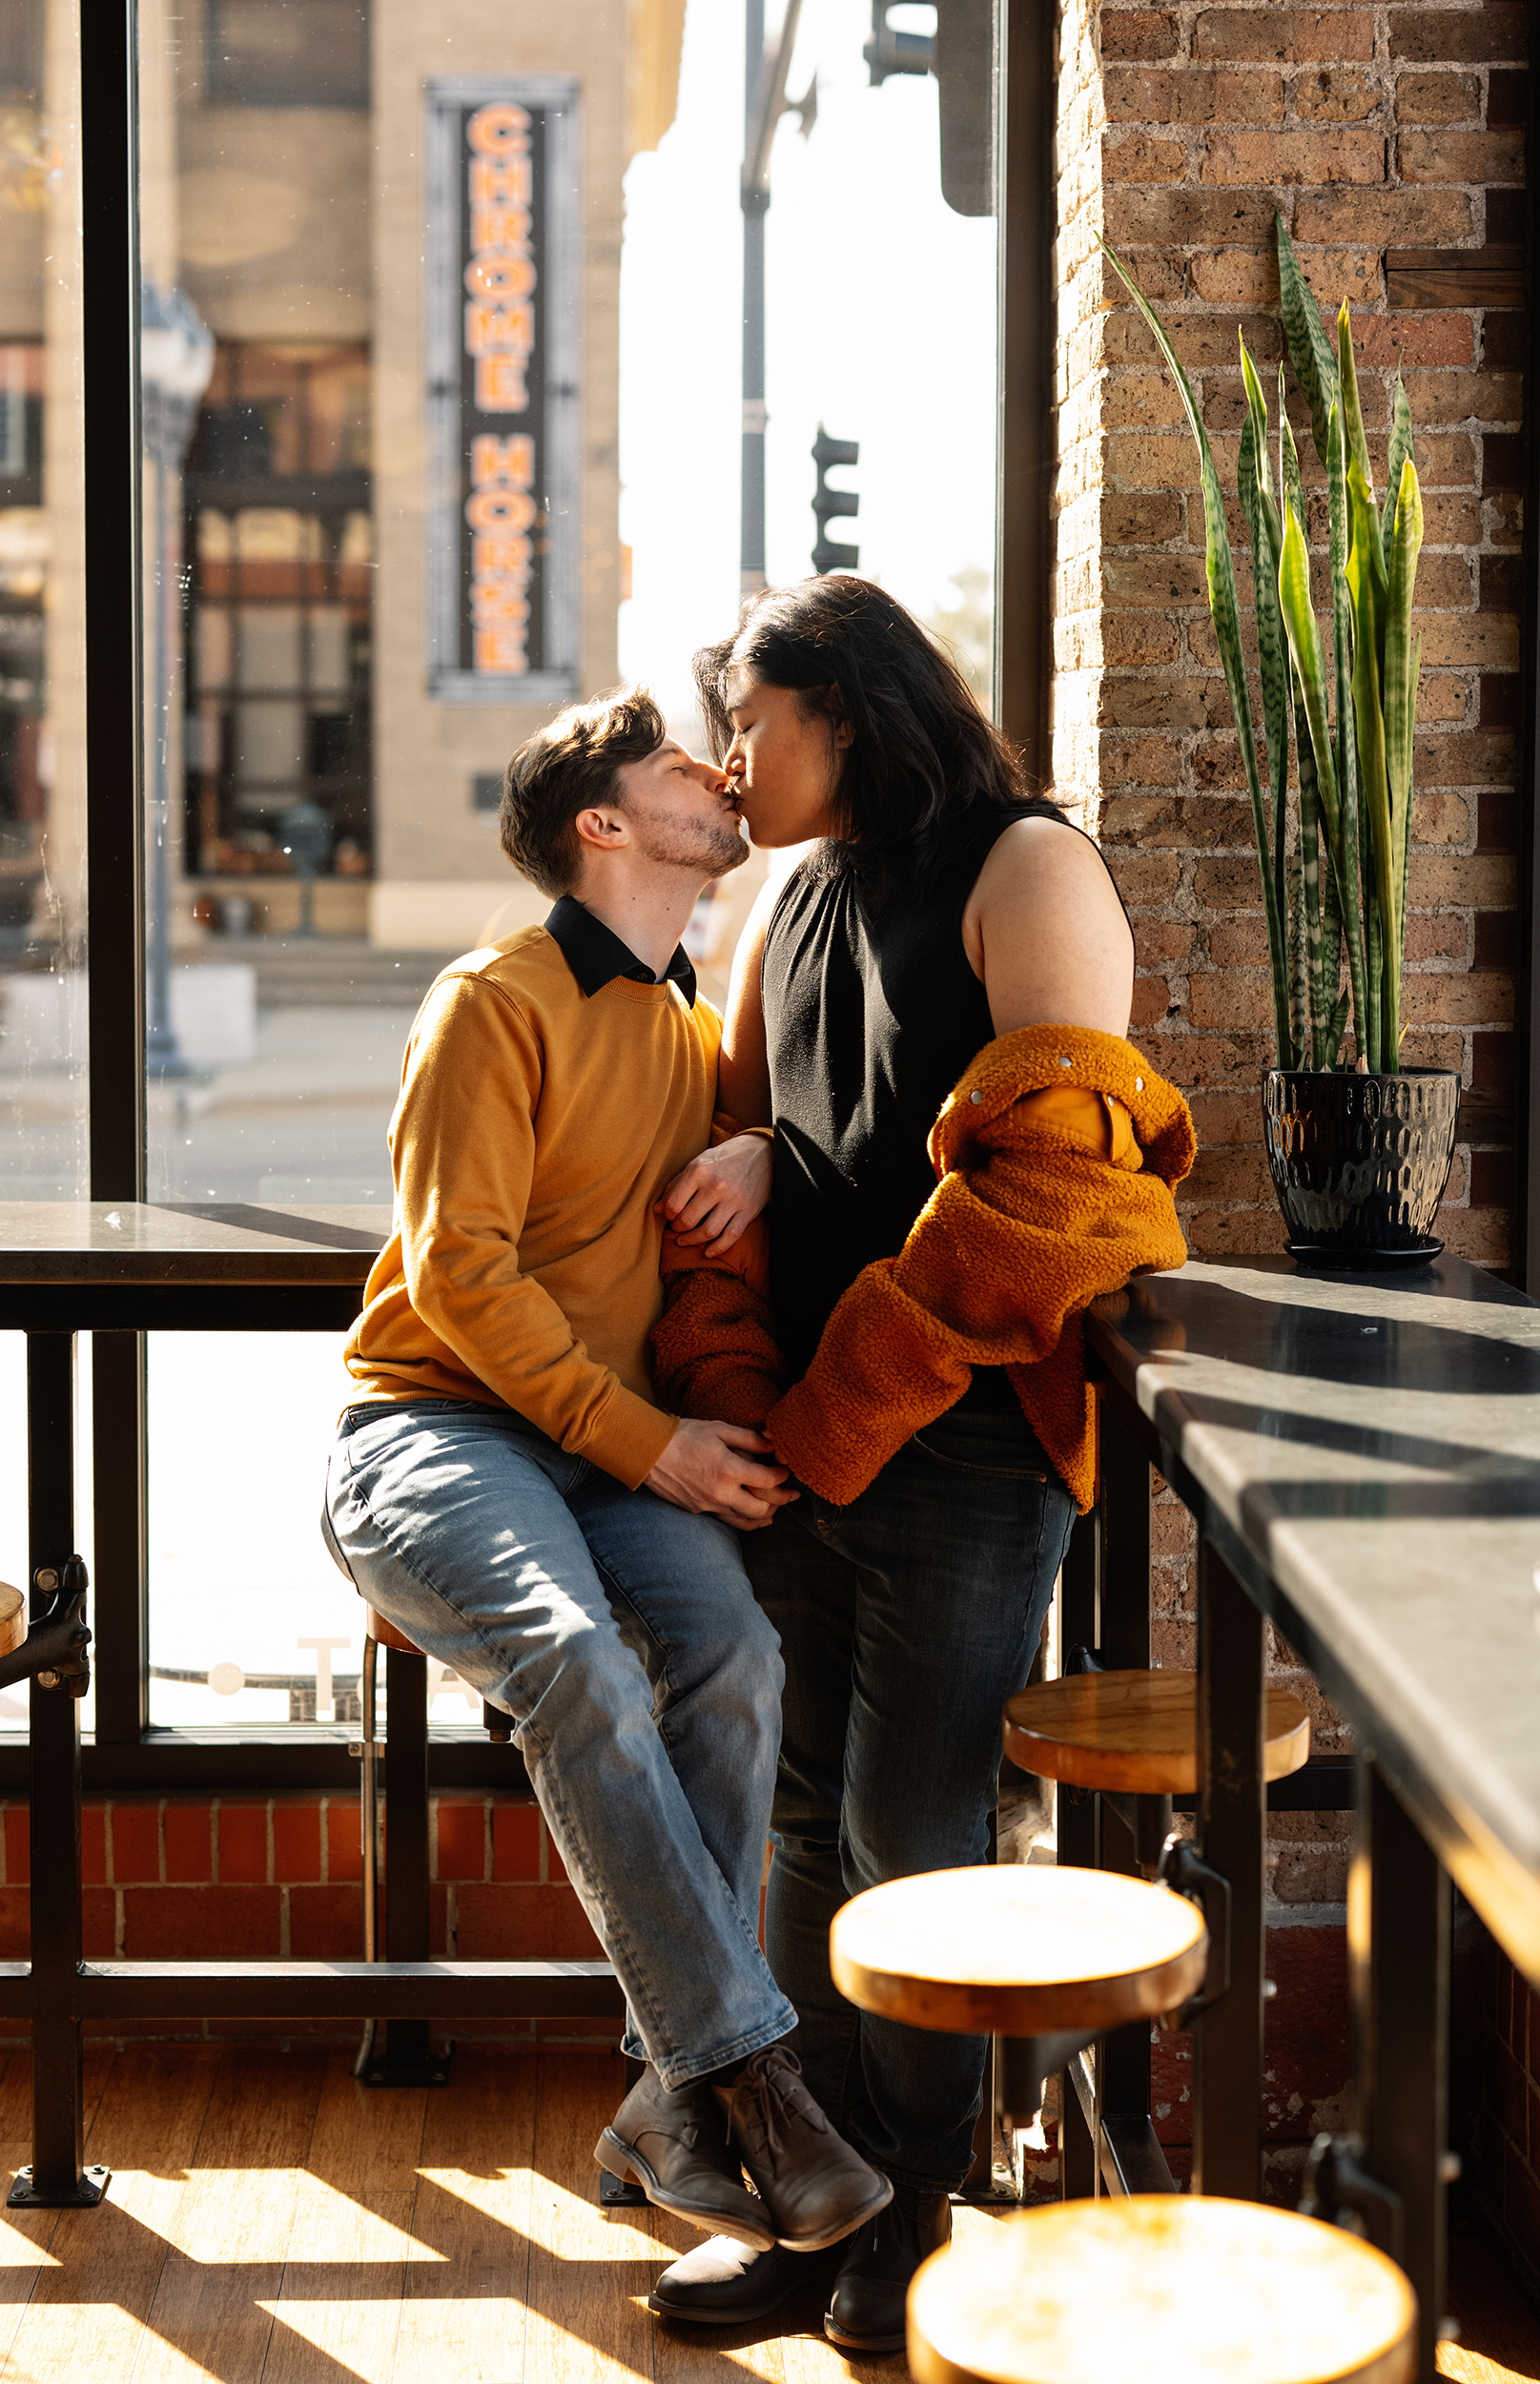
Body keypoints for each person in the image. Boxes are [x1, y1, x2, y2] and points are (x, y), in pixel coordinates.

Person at [647, 578, 1188, 2351]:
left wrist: (835, 1407)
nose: (734, 759)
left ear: (850, 709)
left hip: (959, 1447)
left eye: (755, 720)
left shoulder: (1031, 866)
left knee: (912, 1823)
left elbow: (1051, 1204)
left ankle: (925, 2212)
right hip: (797, 1437)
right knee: (804, 1816)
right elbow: (750, 1124)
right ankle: (823, 2197)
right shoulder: (785, 902)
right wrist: (734, 1178)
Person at [321, 686, 893, 2264]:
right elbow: (458, 1276)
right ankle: (758, 2088)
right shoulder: (494, 998)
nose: (720, 775)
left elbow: (756, 1140)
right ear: (604, 824)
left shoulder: (675, 1019)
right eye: (674, 767)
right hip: (430, 1433)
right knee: (576, 1661)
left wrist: (762, 1150)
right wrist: (655, 1445)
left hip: (594, 1454)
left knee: (732, 1658)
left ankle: (662, 2105)